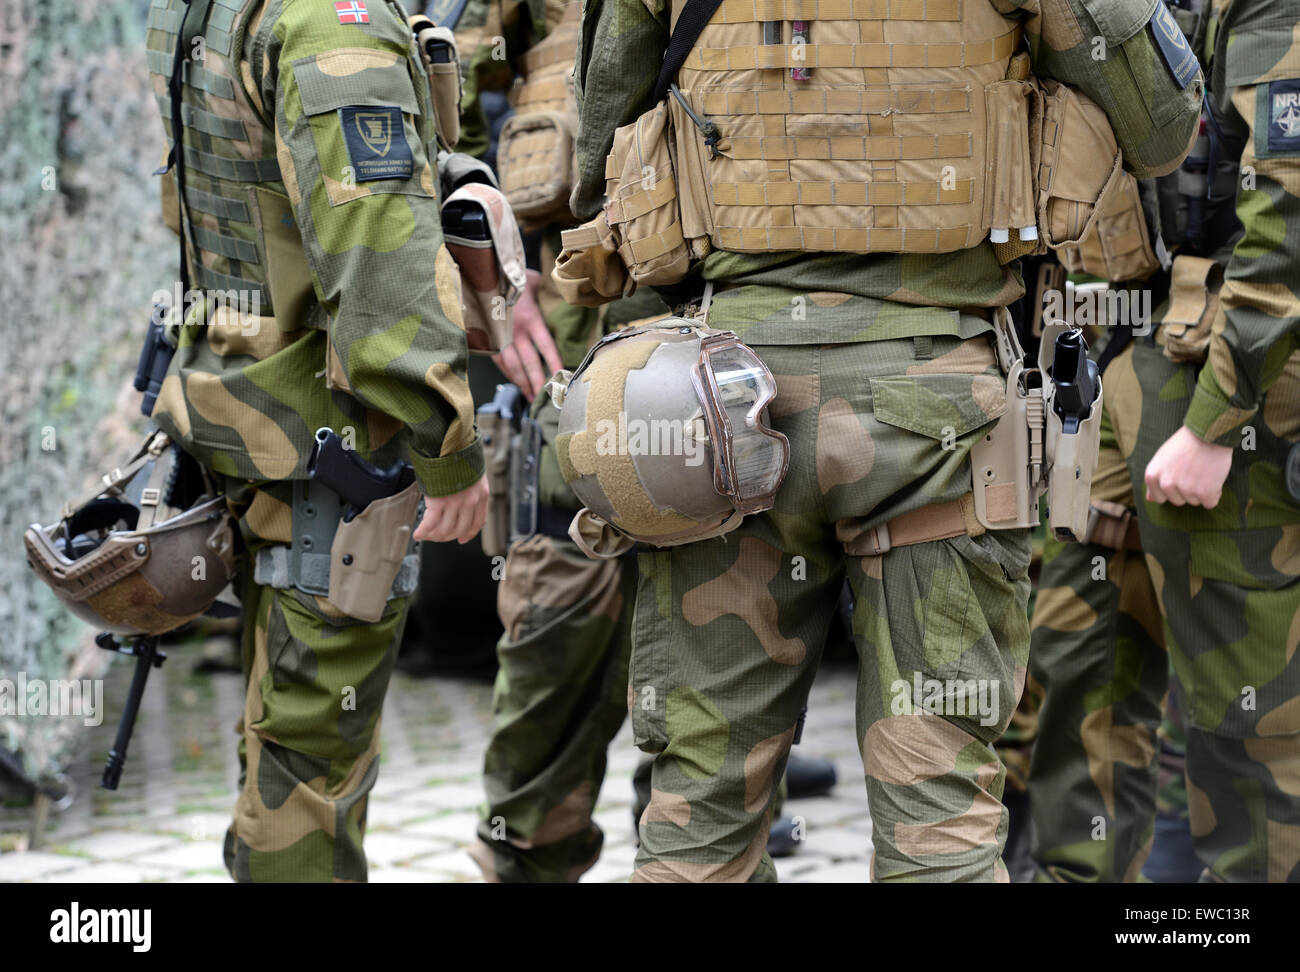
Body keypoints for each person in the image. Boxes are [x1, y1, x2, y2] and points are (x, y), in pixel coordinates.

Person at [566, 0, 1200, 881]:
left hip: (717, 410)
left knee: (699, 808)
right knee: (939, 815)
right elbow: (1165, 127)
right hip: (939, 413)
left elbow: (593, 149)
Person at [144, 0, 487, 882]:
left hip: (239, 406)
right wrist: (447, 449)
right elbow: (378, 264)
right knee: (308, 760)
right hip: (337, 449)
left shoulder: (202, 12)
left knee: (275, 727)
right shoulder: (335, 24)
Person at [1035, 0, 1300, 883]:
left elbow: (1288, 212)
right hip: (1115, 335)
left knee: (1245, 731)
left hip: (1227, 372)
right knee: (1076, 672)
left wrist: (1219, 420)